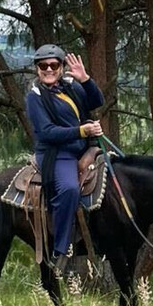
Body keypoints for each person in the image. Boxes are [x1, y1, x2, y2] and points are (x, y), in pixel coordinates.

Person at [25, 44, 105, 275]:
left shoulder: (70, 86)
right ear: (37, 69)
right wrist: (82, 131)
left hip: (84, 148)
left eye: (54, 65)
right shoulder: (35, 96)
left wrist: (86, 79)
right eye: (43, 66)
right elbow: (47, 131)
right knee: (69, 189)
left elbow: (95, 101)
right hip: (57, 153)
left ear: (61, 67)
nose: (48, 69)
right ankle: (60, 249)